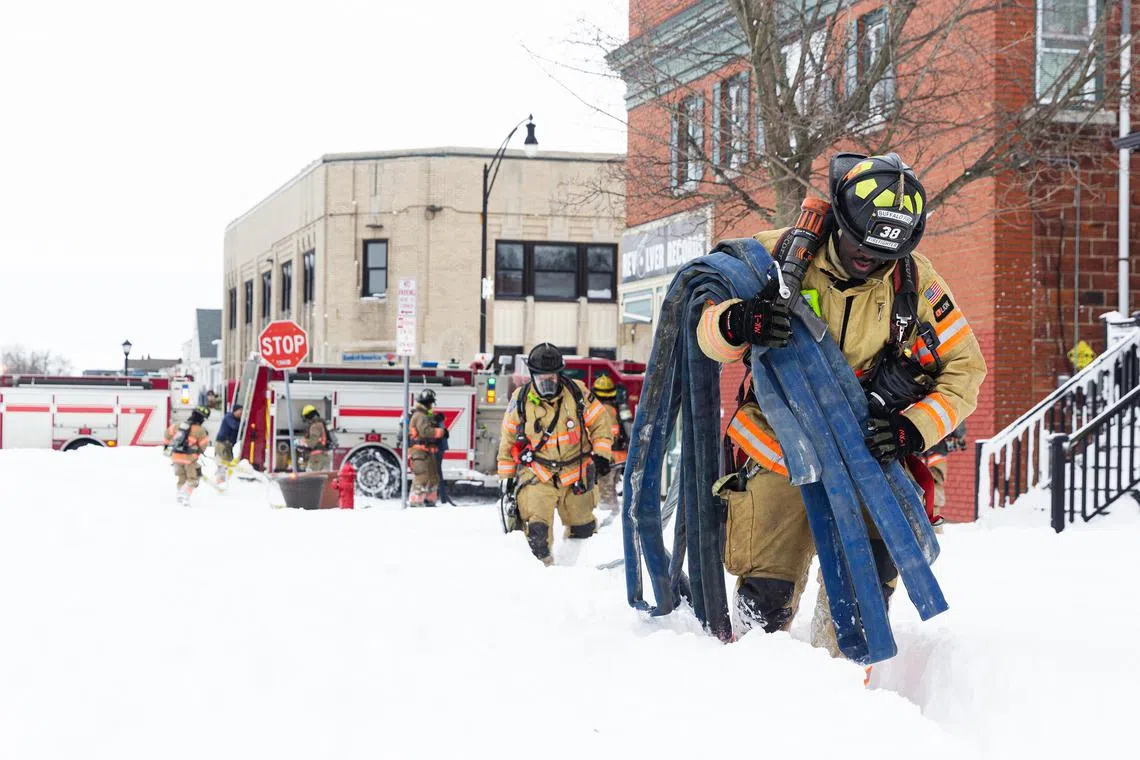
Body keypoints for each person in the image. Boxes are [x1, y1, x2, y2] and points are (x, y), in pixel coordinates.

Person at [696, 153, 987, 655]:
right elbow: (705, 331)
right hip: (779, 447)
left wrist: (909, 430)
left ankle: (851, 691)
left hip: (870, 454)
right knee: (766, 595)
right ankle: (754, 690)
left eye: (882, 255)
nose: (868, 261)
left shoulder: (914, 283)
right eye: (860, 247)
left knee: (864, 593)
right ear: (839, 221)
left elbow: (966, 370)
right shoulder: (774, 256)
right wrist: (740, 322)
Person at [497, 343, 614, 566]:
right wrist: (506, 479)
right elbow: (508, 441)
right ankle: (542, 574)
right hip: (538, 476)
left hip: (575, 474)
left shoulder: (577, 392)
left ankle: (577, 571)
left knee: (584, 530)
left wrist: (601, 455)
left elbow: (601, 424)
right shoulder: (520, 400)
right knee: (536, 533)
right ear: (532, 376)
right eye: (541, 379)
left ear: (560, 374)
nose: (547, 384)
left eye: (551, 378)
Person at [918, 421, 966, 532]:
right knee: (932, 495)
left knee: (931, 494)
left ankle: (934, 531)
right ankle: (933, 531)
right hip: (930, 454)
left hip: (930, 455)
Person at [591, 374, 629, 513]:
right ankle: (614, 518)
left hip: (608, 456)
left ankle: (608, 522)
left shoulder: (603, 410)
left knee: (605, 490)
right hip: (619, 455)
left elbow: (609, 434)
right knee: (610, 489)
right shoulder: (616, 408)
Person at [164, 405, 211, 505]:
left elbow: (167, 433)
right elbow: (203, 446)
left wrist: (166, 446)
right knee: (194, 479)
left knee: (182, 478)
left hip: (176, 457)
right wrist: (198, 452)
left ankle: (180, 496)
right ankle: (185, 495)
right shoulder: (200, 430)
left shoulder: (179, 425)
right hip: (189, 458)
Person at [408, 389, 446, 506]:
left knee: (433, 477)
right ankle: (416, 502)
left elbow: (428, 422)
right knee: (422, 477)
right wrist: (441, 432)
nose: (431, 406)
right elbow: (425, 432)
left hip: (426, 452)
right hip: (420, 453)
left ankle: (430, 501)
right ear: (427, 403)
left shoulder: (424, 414)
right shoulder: (420, 415)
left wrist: (435, 419)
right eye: (431, 403)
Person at [213, 403, 243, 484]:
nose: (241, 413)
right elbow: (235, 426)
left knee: (228, 462)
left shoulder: (237, 419)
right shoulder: (228, 417)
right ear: (234, 411)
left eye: (242, 411)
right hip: (222, 443)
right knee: (224, 462)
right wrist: (244, 422)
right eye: (239, 411)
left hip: (228, 445)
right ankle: (220, 480)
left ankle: (223, 480)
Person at [433, 410, 457, 506]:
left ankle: (443, 498)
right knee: (439, 474)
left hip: (437, 450)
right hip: (440, 450)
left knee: (438, 474)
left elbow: (438, 438)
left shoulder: (437, 425)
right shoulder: (441, 424)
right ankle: (443, 497)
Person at [301, 405, 332, 472]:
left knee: (312, 477)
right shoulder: (323, 423)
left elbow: (312, 443)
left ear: (308, 416)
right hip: (325, 455)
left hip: (317, 457)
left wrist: (302, 441)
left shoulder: (314, 426)